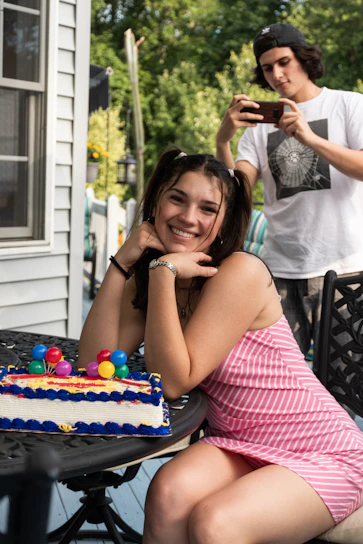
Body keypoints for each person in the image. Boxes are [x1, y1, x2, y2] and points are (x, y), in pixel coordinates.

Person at [79, 147, 363, 544]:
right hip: (237, 442)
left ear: (225, 220)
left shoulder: (239, 273)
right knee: (166, 492)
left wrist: (162, 274)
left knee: (216, 523)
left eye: (208, 208)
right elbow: (93, 364)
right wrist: (121, 264)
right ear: (157, 199)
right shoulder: (150, 278)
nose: (188, 217)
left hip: (324, 452)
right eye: (177, 198)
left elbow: (173, 382)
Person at [216, 22, 363, 360]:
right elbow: (236, 196)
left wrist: (309, 138)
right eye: (267, 67)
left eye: (284, 61)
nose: (277, 74)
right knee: (279, 381)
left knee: (339, 384)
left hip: (343, 272)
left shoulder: (348, 105)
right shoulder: (257, 129)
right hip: (279, 273)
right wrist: (223, 139)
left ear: (304, 58)